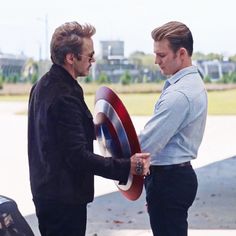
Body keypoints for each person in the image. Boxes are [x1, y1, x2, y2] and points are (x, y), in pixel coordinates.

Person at [27, 21, 150, 236]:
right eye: (89, 56)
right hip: (64, 200)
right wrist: (125, 167)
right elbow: (77, 157)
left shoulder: (42, 85)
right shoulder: (65, 95)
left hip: (46, 192)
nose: (92, 61)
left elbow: (57, 136)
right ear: (71, 58)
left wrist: (107, 131)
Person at [139, 21, 208, 236]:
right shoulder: (192, 83)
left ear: (182, 53)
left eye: (162, 55)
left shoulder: (180, 95)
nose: (156, 61)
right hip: (174, 177)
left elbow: (145, 144)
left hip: (169, 181)